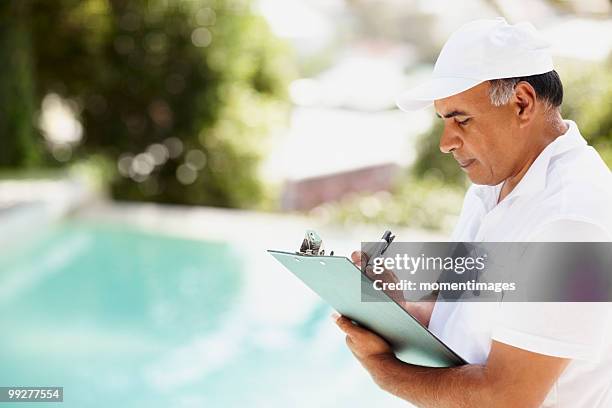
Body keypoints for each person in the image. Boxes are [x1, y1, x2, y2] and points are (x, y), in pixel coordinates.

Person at [333, 18, 612, 407]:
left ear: (522, 103)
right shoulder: (492, 187)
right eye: (444, 121)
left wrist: (383, 368)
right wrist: (399, 310)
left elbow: (506, 397)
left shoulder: (572, 219)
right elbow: (463, 317)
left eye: (461, 119)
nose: (446, 143)